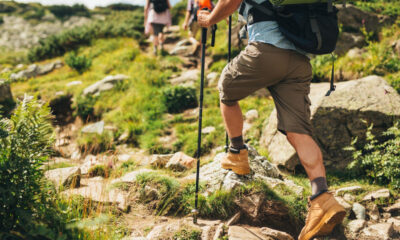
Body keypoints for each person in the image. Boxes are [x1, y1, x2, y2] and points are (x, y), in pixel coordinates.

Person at [197, 1, 346, 240]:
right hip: (298, 60)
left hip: (267, 50)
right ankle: (322, 197)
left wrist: (208, 19)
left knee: (226, 87)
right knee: (298, 130)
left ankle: (237, 153)